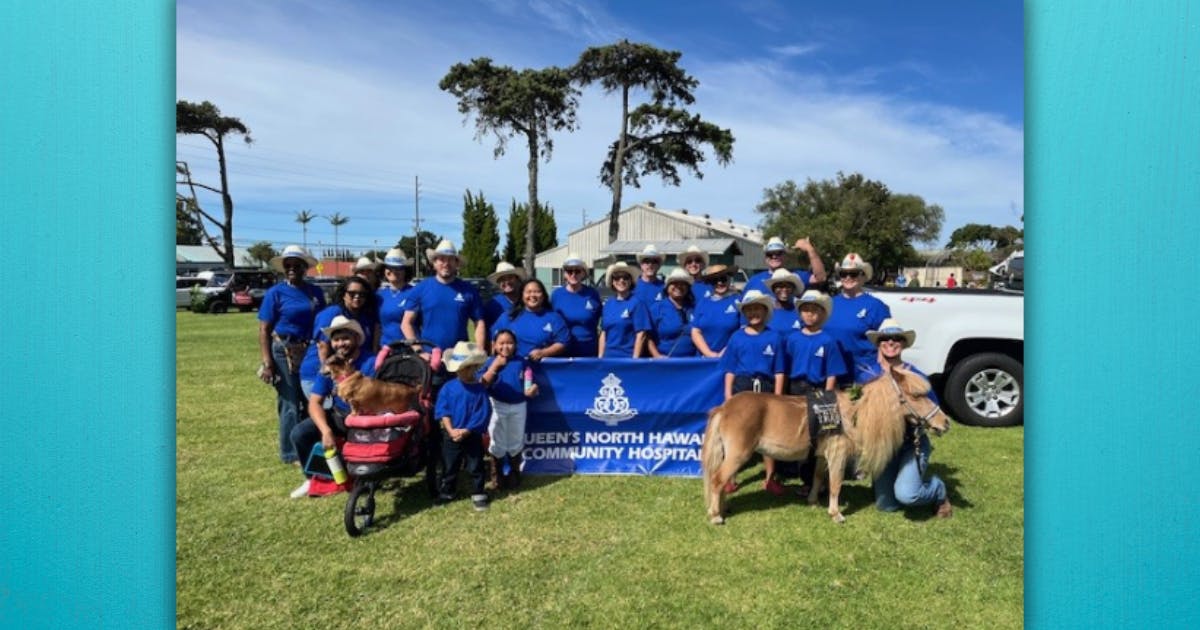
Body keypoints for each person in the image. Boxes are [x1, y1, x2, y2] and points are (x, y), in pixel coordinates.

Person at [859, 318, 953, 518]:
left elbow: (931, 409)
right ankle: (883, 475)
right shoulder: (867, 374)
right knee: (887, 506)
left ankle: (938, 490)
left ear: (903, 343)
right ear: (878, 343)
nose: (891, 342)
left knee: (907, 496)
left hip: (910, 444)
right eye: (885, 338)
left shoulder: (914, 375)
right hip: (882, 446)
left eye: (896, 338)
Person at [288, 315, 374, 498]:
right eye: (336, 339)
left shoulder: (371, 363)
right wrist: (326, 430)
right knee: (299, 433)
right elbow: (314, 402)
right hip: (339, 415)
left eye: (345, 338)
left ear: (356, 339)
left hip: (367, 418)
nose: (340, 344)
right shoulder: (330, 366)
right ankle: (312, 479)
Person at [257, 245, 326, 466]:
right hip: (283, 349)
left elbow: (322, 321)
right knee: (289, 401)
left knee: (311, 397)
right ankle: (290, 452)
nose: (292, 269)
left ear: (305, 268)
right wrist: (268, 362)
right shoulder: (275, 293)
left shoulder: (315, 292)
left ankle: (310, 443)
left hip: (310, 350)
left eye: (297, 265)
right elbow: (264, 329)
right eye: (288, 266)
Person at [718, 290, 786, 495]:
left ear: (765, 311)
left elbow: (779, 370)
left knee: (769, 435)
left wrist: (778, 397)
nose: (754, 313)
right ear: (744, 312)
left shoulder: (774, 337)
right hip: (743, 387)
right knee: (737, 436)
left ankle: (769, 478)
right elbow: (729, 369)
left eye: (758, 308)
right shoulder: (737, 337)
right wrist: (729, 396)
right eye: (749, 309)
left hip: (765, 388)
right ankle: (730, 477)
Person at [785, 290, 848, 495]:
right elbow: (785, 368)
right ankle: (798, 476)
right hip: (795, 389)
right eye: (806, 310)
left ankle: (817, 482)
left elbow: (832, 372)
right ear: (800, 313)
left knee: (817, 438)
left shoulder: (828, 341)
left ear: (822, 314)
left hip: (819, 390)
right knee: (796, 433)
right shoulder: (792, 339)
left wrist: (827, 397)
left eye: (815, 311)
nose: (810, 315)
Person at [401, 239, 486, 361]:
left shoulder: (469, 290)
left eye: (450, 259)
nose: (446, 263)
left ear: (456, 263)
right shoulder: (421, 288)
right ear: (434, 263)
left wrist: (479, 352)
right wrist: (419, 351)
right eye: (441, 259)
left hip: (460, 358)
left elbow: (479, 323)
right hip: (430, 358)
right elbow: (406, 323)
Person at [299, 276, 378, 403]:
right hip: (318, 373)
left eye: (362, 294)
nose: (357, 297)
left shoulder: (362, 316)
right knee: (330, 411)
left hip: (344, 375)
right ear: (343, 295)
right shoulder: (333, 312)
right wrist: (329, 377)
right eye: (352, 293)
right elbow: (322, 346)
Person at [434, 342, 493, 511]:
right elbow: (443, 410)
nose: (463, 371)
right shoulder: (448, 388)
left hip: (471, 434)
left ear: (474, 367)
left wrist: (467, 430)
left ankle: (478, 492)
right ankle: (447, 490)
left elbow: (482, 413)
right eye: (460, 368)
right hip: (451, 434)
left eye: (467, 368)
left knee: (476, 464)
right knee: (449, 464)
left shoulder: (480, 390)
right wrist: (451, 430)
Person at [479, 329, 538, 491]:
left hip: (519, 405)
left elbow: (528, 380)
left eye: (510, 343)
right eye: (502, 343)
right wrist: (495, 367)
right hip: (497, 404)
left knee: (516, 438)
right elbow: (482, 383)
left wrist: (531, 389)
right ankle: (496, 474)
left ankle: (514, 473)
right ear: (494, 345)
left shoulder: (521, 362)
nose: (506, 347)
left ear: (516, 345)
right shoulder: (489, 361)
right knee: (497, 438)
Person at [823, 253, 891, 386]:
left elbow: (886, 342)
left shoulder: (876, 306)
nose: (848, 277)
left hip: (862, 376)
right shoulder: (829, 303)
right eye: (843, 274)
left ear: (863, 276)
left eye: (853, 274)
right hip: (829, 376)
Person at [492, 278, 569, 361]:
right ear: (522, 295)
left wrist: (544, 352)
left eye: (537, 292)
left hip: (544, 370)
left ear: (543, 295)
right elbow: (494, 341)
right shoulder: (508, 316)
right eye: (528, 292)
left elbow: (563, 342)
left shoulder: (554, 317)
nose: (532, 295)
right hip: (513, 368)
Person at [550, 253, 602, 357]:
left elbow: (598, 319)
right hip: (563, 350)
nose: (573, 275)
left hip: (589, 350)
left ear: (583, 273)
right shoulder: (556, 295)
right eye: (569, 271)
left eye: (577, 271)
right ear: (565, 274)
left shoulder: (592, 294)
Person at [598, 262, 652, 358]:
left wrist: (634, 360)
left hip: (627, 358)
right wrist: (600, 357)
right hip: (608, 358)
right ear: (612, 281)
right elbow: (604, 332)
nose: (621, 280)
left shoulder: (637, 303)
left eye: (625, 277)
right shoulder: (608, 304)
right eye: (617, 278)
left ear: (631, 281)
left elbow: (641, 334)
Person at [744, 236, 827, 295]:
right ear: (766, 257)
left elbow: (821, 277)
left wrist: (810, 249)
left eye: (778, 253)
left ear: (785, 256)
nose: (774, 256)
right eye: (770, 254)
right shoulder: (754, 280)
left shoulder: (796, 276)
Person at [691, 263, 742, 358]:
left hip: (730, 358)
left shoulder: (739, 301)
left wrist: (725, 352)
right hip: (703, 359)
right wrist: (709, 354)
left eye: (723, 279)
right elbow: (695, 331)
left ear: (729, 279)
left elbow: (743, 331)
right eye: (715, 280)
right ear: (710, 282)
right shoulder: (703, 303)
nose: (719, 283)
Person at [647, 268, 697, 358]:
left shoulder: (693, 308)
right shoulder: (657, 308)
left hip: (692, 361)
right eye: (674, 283)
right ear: (667, 287)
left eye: (683, 284)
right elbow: (647, 336)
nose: (678, 286)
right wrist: (656, 355)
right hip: (666, 362)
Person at [376, 247, 413, 347]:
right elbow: (377, 326)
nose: (393, 271)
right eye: (389, 267)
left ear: (405, 271)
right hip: (385, 349)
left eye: (398, 268)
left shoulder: (414, 293)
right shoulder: (379, 295)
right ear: (384, 270)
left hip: (409, 349)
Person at [483, 261, 526, 333]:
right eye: (502, 279)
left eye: (510, 278)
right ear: (498, 284)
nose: (507, 282)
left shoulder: (527, 301)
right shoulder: (492, 305)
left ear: (518, 279)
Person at [762, 268, 804, 338]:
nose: (784, 290)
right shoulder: (765, 312)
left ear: (793, 289)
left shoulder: (801, 311)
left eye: (788, 286)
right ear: (773, 289)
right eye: (780, 286)